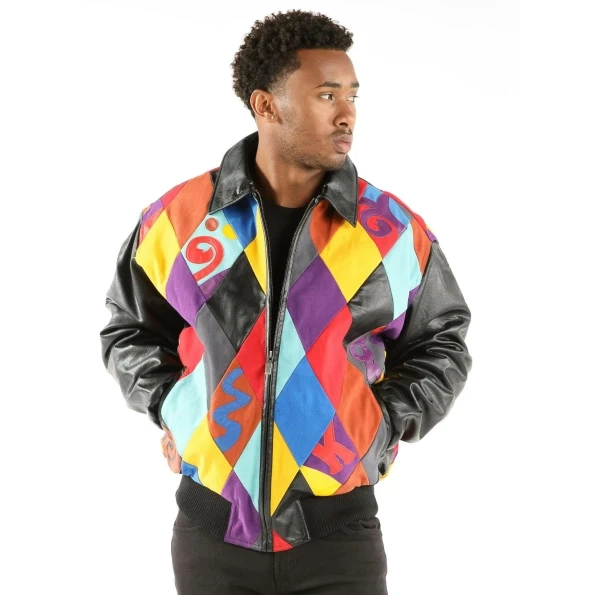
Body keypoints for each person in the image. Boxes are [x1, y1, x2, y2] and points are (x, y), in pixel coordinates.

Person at [99, 9, 473, 594]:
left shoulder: (390, 231)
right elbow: (130, 329)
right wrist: (173, 408)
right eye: (326, 95)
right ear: (266, 105)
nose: (346, 113)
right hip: (211, 530)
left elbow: (441, 341)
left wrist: (379, 426)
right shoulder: (179, 220)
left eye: (351, 95)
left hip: (339, 534)